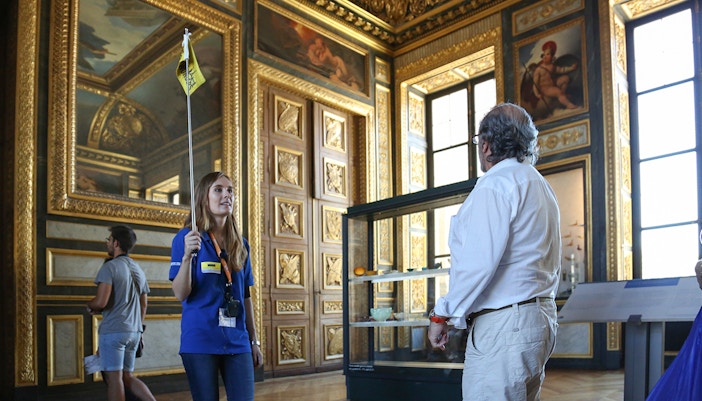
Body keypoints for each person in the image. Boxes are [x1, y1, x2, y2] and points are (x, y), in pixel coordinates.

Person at [427, 103, 561, 401]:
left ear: (486, 146)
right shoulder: (539, 185)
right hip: (539, 319)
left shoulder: (495, 185)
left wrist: (441, 314)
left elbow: (478, 265)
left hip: (505, 328)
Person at [170, 171, 263, 401]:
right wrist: (186, 257)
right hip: (200, 341)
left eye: (230, 190)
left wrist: (254, 341)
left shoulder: (241, 244)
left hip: (237, 340)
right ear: (204, 198)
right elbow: (180, 293)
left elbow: (246, 296)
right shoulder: (187, 237)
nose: (226, 195)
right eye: (218, 190)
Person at [87, 225, 156, 401]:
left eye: (109, 240)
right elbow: (144, 304)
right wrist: (139, 331)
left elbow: (101, 302)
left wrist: (89, 305)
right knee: (128, 376)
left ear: (116, 243)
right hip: (134, 332)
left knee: (114, 379)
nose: (107, 243)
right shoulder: (138, 269)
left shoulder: (109, 268)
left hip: (114, 331)